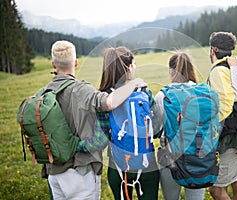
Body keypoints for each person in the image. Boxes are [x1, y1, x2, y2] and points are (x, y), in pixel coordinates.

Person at [46, 40, 146, 200]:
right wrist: (133, 83)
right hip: (80, 171)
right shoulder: (83, 90)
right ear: (76, 62)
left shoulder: (44, 94)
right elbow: (109, 104)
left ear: (53, 64)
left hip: (53, 172)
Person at [77, 46, 160, 200]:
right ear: (128, 67)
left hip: (119, 167)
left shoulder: (104, 98)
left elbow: (99, 141)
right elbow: (155, 129)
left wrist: (76, 146)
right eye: (133, 64)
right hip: (148, 164)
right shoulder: (144, 92)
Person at [207, 32, 237, 200]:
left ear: (214, 49)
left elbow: (228, 101)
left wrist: (215, 128)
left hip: (231, 138)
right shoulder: (236, 67)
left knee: (216, 190)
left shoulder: (219, 70)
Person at [155, 52, 205, 200]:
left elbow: (157, 129)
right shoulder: (202, 91)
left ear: (171, 71)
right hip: (198, 155)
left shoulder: (162, 95)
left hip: (170, 155)